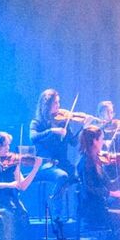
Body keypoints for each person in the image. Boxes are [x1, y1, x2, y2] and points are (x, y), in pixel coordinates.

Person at [28, 88, 81, 216]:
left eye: (59, 102)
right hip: (46, 164)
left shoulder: (63, 122)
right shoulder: (37, 122)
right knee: (62, 176)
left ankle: (79, 214)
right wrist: (52, 131)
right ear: (47, 105)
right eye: (55, 102)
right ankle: (57, 214)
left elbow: (74, 142)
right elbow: (33, 137)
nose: (59, 106)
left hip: (63, 163)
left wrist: (83, 128)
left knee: (81, 177)